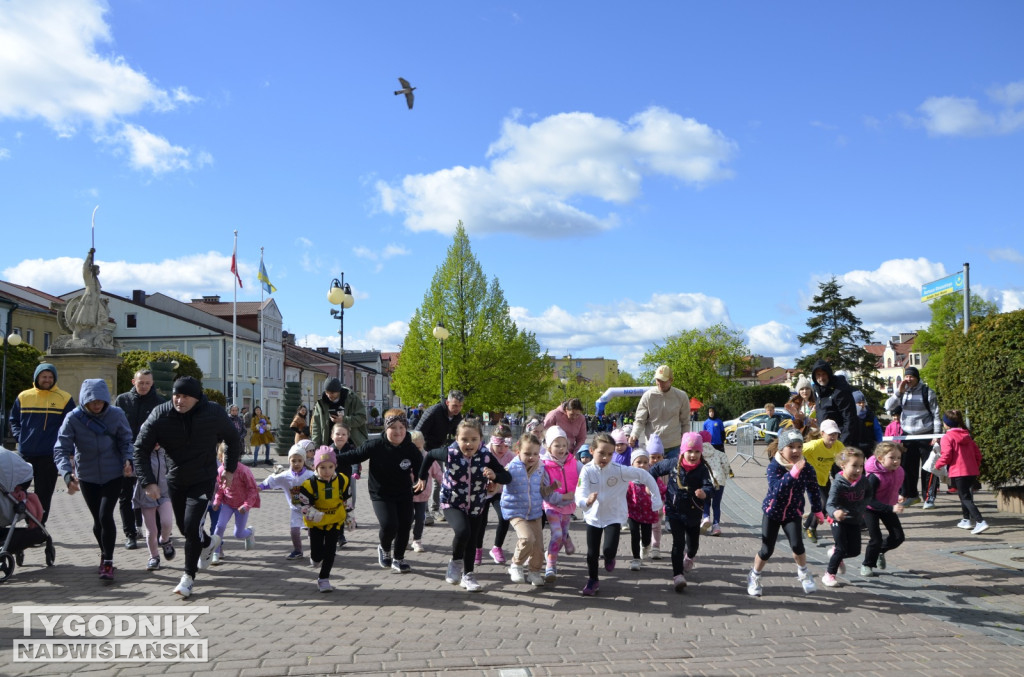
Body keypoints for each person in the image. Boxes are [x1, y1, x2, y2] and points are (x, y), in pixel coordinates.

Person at [135, 376, 243, 598]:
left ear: (196, 398)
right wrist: (148, 481)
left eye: (185, 396)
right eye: (176, 395)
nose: (179, 400)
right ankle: (209, 543)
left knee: (192, 526)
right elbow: (140, 449)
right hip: (175, 479)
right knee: (186, 529)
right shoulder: (160, 414)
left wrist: (229, 470)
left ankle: (188, 577)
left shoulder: (213, 412)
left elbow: (233, 439)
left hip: (203, 478)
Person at [414, 418, 512, 592]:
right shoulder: (449, 453)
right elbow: (429, 455)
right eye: (464, 439)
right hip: (452, 501)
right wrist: (422, 477)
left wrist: (494, 477)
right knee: (462, 531)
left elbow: (506, 477)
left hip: (476, 504)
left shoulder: (485, 455)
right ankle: (455, 562)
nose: (469, 443)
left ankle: (468, 575)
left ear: (481, 439)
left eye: (474, 439)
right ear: (456, 439)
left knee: (472, 539)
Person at [53, 379, 134, 580]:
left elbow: (126, 440)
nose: (97, 405)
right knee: (98, 520)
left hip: (113, 473)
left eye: (100, 400)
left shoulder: (117, 415)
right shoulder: (73, 418)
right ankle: (104, 553)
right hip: (87, 475)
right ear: (84, 400)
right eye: (92, 401)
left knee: (106, 515)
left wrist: (127, 459)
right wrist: (65, 473)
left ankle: (108, 561)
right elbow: (61, 449)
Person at [574, 432, 663, 596]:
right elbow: (580, 491)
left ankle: (610, 557)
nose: (605, 457)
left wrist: (656, 499)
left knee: (608, 549)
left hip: (613, 517)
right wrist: (585, 501)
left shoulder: (619, 470)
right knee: (592, 553)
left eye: (609, 454)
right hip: (593, 517)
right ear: (592, 451)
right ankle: (593, 581)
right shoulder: (586, 470)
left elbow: (644, 475)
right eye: (602, 453)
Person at [337, 409, 423, 574]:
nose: (398, 431)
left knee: (405, 524)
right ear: (386, 428)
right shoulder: (375, 445)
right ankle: (384, 548)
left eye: (401, 427)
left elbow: (421, 468)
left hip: (404, 492)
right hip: (381, 493)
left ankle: (398, 559)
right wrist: (330, 458)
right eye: (393, 428)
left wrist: (422, 479)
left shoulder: (410, 448)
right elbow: (353, 456)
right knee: (390, 524)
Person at [746, 429, 824, 597]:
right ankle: (754, 576)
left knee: (797, 546)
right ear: (781, 449)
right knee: (767, 550)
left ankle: (803, 573)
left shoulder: (806, 467)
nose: (796, 451)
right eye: (791, 447)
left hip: (792, 513)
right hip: (772, 513)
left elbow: (813, 489)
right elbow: (777, 490)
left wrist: (817, 510)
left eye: (799, 446)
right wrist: (794, 472)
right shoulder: (774, 466)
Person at [9, 363, 75, 524]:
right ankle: (21, 523)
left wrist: (67, 449)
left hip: (49, 455)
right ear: (37, 378)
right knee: (17, 492)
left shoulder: (64, 398)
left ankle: (38, 526)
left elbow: (70, 426)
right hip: (25, 454)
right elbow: (14, 420)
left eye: (50, 377)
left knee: (44, 494)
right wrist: (20, 437)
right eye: (44, 376)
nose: (47, 380)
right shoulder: (23, 396)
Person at [649, 432, 715, 591]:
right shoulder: (672, 464)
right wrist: (649, 485)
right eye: (690, 451)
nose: (693, 455)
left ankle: (689, 557)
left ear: (701, 452)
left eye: (697, 452)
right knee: (678, 543)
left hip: (694, 512)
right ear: (683, 451)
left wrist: (705, 492)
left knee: (692, 546)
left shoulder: (702, 469)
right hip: (674, 512)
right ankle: (677, 575)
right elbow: (654, 470)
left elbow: (709, 486)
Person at [114, 368, 166, 551]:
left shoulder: (160, 402)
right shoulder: (122, 400)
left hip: (150, 455)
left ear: (152, 384)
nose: (143, 386)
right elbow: (115, 426)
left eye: (147, 383)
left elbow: (165, 427)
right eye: (140, 382)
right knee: (125, 496)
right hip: (126, 453)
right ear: (133, 382)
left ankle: (158, 532)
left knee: (153, 494)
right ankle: (130, 534)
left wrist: (159, 441)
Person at [500, 432, 557, 586]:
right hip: (515, 511)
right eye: (527, 453)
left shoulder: (540, 468)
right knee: (527, 538)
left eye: (535, 454)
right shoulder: (511, 467)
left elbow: (542, 492)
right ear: (518, 451)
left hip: (535, 512)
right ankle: (516, 565)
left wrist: (551, 488)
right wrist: (491, 482)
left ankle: (534, 572)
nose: (531, 457)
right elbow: (500, 481)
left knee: (538, 546)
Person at [884, 366, 941, 509]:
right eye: (907, 377)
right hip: (908, 435)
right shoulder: (903, 392)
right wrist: (898, 392)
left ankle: (929, 498)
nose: (908, 379)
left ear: (917, 378)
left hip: (926, 433)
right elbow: (888, 407)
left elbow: (936, 414)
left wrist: (936, 435)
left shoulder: (927, 392)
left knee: (928, 467)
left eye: (911, 377)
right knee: (907, 467)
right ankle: (912, 495)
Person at [298, 447, 351, 592]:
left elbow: (347, 498)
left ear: (335, 466)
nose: (327, 471)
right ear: (315, 467)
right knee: (317, 554)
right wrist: (313, 513)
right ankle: (315, 558)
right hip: (316, 524)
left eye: (330, 467)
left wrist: (350, 516)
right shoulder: (309, 485)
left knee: (330, 551)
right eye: (322, 467)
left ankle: (323, 579)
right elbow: (303, 505)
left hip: (334, 521)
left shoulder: (342, 480)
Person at [414, 390, 465, 523]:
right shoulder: (433, 412)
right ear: (447, 402)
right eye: (454, 406)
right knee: (423, 478)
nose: (457, 409)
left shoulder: (457, 416)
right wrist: (419, 451)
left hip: (438, 449)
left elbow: (458, 435)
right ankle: (424, 512)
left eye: (460, 406)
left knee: (440, 478)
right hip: (424, 449)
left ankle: (435, 509)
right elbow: (418, 431)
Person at [934, 410, 988, 534]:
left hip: (958, 471)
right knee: (964, 495)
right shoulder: (967, 435)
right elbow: (978, 454)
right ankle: (966, 519)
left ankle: (980, 521)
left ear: (946, 424)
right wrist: (975, 466)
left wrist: (938, 464)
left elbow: (946, 455)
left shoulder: (947, 437)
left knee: (965, 498)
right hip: (971, 471)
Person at [257, 445, 315, 560]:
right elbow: (272, 481)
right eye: (293, 461)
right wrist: (260, 487)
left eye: (300, 460)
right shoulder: (285, 476)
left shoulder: (310, 476)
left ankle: (316, 551)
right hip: (295, 510)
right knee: (294, 531)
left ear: (304, 461)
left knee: (312, 532)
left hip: (310, 509)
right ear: (289, 461)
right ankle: (298, 551)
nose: (297, 463)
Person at [822, 448, 868, 588]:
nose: (858, 470)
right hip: (838, 520)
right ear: (843, 465)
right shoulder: (838, 483)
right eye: (854, 465)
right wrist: (835, 512)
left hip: (854, 519)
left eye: (861, 466)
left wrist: (864, 508)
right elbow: (830, 504)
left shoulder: (863, 481)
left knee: (855, 551)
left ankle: (836, 555)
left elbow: (870, 494)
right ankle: (829, 575)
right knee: (841, 548)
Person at [860, 441, 906, 577]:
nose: (896, 461)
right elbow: (869, 500)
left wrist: (902, 493)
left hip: (888, 507)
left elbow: (903, 481)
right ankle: (867, 565)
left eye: (898, 458)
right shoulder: (874, 477)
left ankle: (879, 552)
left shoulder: (899, 471)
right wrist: (891, 507)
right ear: (880, 459)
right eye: (892, 458)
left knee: (898, 537)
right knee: (876, 538)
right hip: (870, 509)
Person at [541, 426, 580, 581]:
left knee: (561, 536)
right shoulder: (544, 465)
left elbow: (586, 474)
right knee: (556, 534)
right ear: (549, 446)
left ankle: (566, 538)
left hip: (568, 506)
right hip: (552, 506)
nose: (561, 449)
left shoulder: (573, 462)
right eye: (557, 445)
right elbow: (545, 492)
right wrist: (562, 497)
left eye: (564, 445)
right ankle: (550, 565)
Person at [210, 443, 259, 565]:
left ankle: (249, 533)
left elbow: (253, 489)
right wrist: (217, 501)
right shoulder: (220, 470)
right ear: (220, 457)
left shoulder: (244, 471)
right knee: (219, 526)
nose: (226, 460)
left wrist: (246, 505)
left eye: (230, 456)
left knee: (238, 534)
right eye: (224, 456)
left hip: (241, 506)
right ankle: (216, 552)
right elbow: (221, 489)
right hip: (227, 503)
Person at [132, 438, 176, 571]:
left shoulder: (167, 453)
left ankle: (165, 540)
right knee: (152, 531)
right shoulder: (141, 454)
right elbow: (135, 470)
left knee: (167, 522)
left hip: (164, 494)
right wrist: (128, 469)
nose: (156, 442)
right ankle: (154, 557)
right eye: (152, 439)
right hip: (147, 495)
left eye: (159, 438)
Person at [629, 365, 689, 459]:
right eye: (658, 380)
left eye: (663, 380)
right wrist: (634, 434)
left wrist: (686, 443)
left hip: (674, 446)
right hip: (653, 448)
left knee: (675, 474)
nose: (660, 383)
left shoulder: (681, 396)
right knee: (653, 474)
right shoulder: (648, 396)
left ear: (671, 380)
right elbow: (640, 420)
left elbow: (685, 423)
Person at [801, 419, 844, 544]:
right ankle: (811, 529)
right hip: (811, 479)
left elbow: (845, 460)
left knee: (824, 506)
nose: (833, 436)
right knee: (822, 504)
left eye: (835, 434)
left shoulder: (838, 445)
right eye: (830, 434)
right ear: (822, 433)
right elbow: (796, 451)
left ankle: (805, 526)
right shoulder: (814, 445)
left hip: (824, 479)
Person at [478, 425, 515, 565]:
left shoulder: (511, 456)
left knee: (504, 517)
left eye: (506, 446)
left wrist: (498, 483)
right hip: (482, 492)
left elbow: (511, 475)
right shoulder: (484, 453)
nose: (502, 449)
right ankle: (478, 548)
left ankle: (497, 547)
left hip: (499, 492)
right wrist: (488, 482)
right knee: (481, 522)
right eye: (499, 446)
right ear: (492, 442)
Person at [809, 359, 859, 450]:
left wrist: (843, 443)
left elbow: (849, 418)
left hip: (840, 440)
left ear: (829, 374)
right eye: (818, 375)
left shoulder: (840, 390)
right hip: (825, 440)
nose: (821, 378)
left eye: (824, 374)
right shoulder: (817, 390)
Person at [625, 448, 660, 572]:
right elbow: (623, 494)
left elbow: (662, 490)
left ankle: (645, 545)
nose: (642, 465)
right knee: (634, 534)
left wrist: (655, 494)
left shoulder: (652, 478)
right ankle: (635, 559)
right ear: (632, 464)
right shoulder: (628, 480)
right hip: (632, 513)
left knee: (645, 537)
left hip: (648, 514)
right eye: (639, 462)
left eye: (645, 462)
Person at [310, 377, 369, 449]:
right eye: (327, 392)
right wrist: (316, 447)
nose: (329, 395)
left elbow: (362, 418)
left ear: (339, 391)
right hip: (329, 446)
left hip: (352, 444)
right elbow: (316, 427)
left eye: (332, 393)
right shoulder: (321, 403)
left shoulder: (352, 398)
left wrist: (343, 420)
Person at [409, 430, 441, 553]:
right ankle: (402, 538)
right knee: (407, 518)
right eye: (414, 447)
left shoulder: (428, 458)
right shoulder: (407, 456)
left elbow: (438, 473)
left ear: (423, 444)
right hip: (408, 494)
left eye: (419, 447)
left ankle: (417, 540)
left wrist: (447, 485)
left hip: (423, 495)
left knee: (420, 517)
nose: (417, 450)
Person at [699, 430, 731, 537]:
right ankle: (716, 525)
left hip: (705, 481)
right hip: (719, 480)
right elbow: (726, 466)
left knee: (706, 502)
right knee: (716, 505)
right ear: (710, 440)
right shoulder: (720, 453)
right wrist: (724, 477)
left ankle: (706, 517)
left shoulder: (699, 454)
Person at [852, 391, 883, 456]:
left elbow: (877, 430)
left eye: (863, 402)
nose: (862, 405)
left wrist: (879, 443)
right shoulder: (850, 416)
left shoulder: (870, 415)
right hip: (856, 446)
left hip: (870, 445)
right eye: (859, 403)